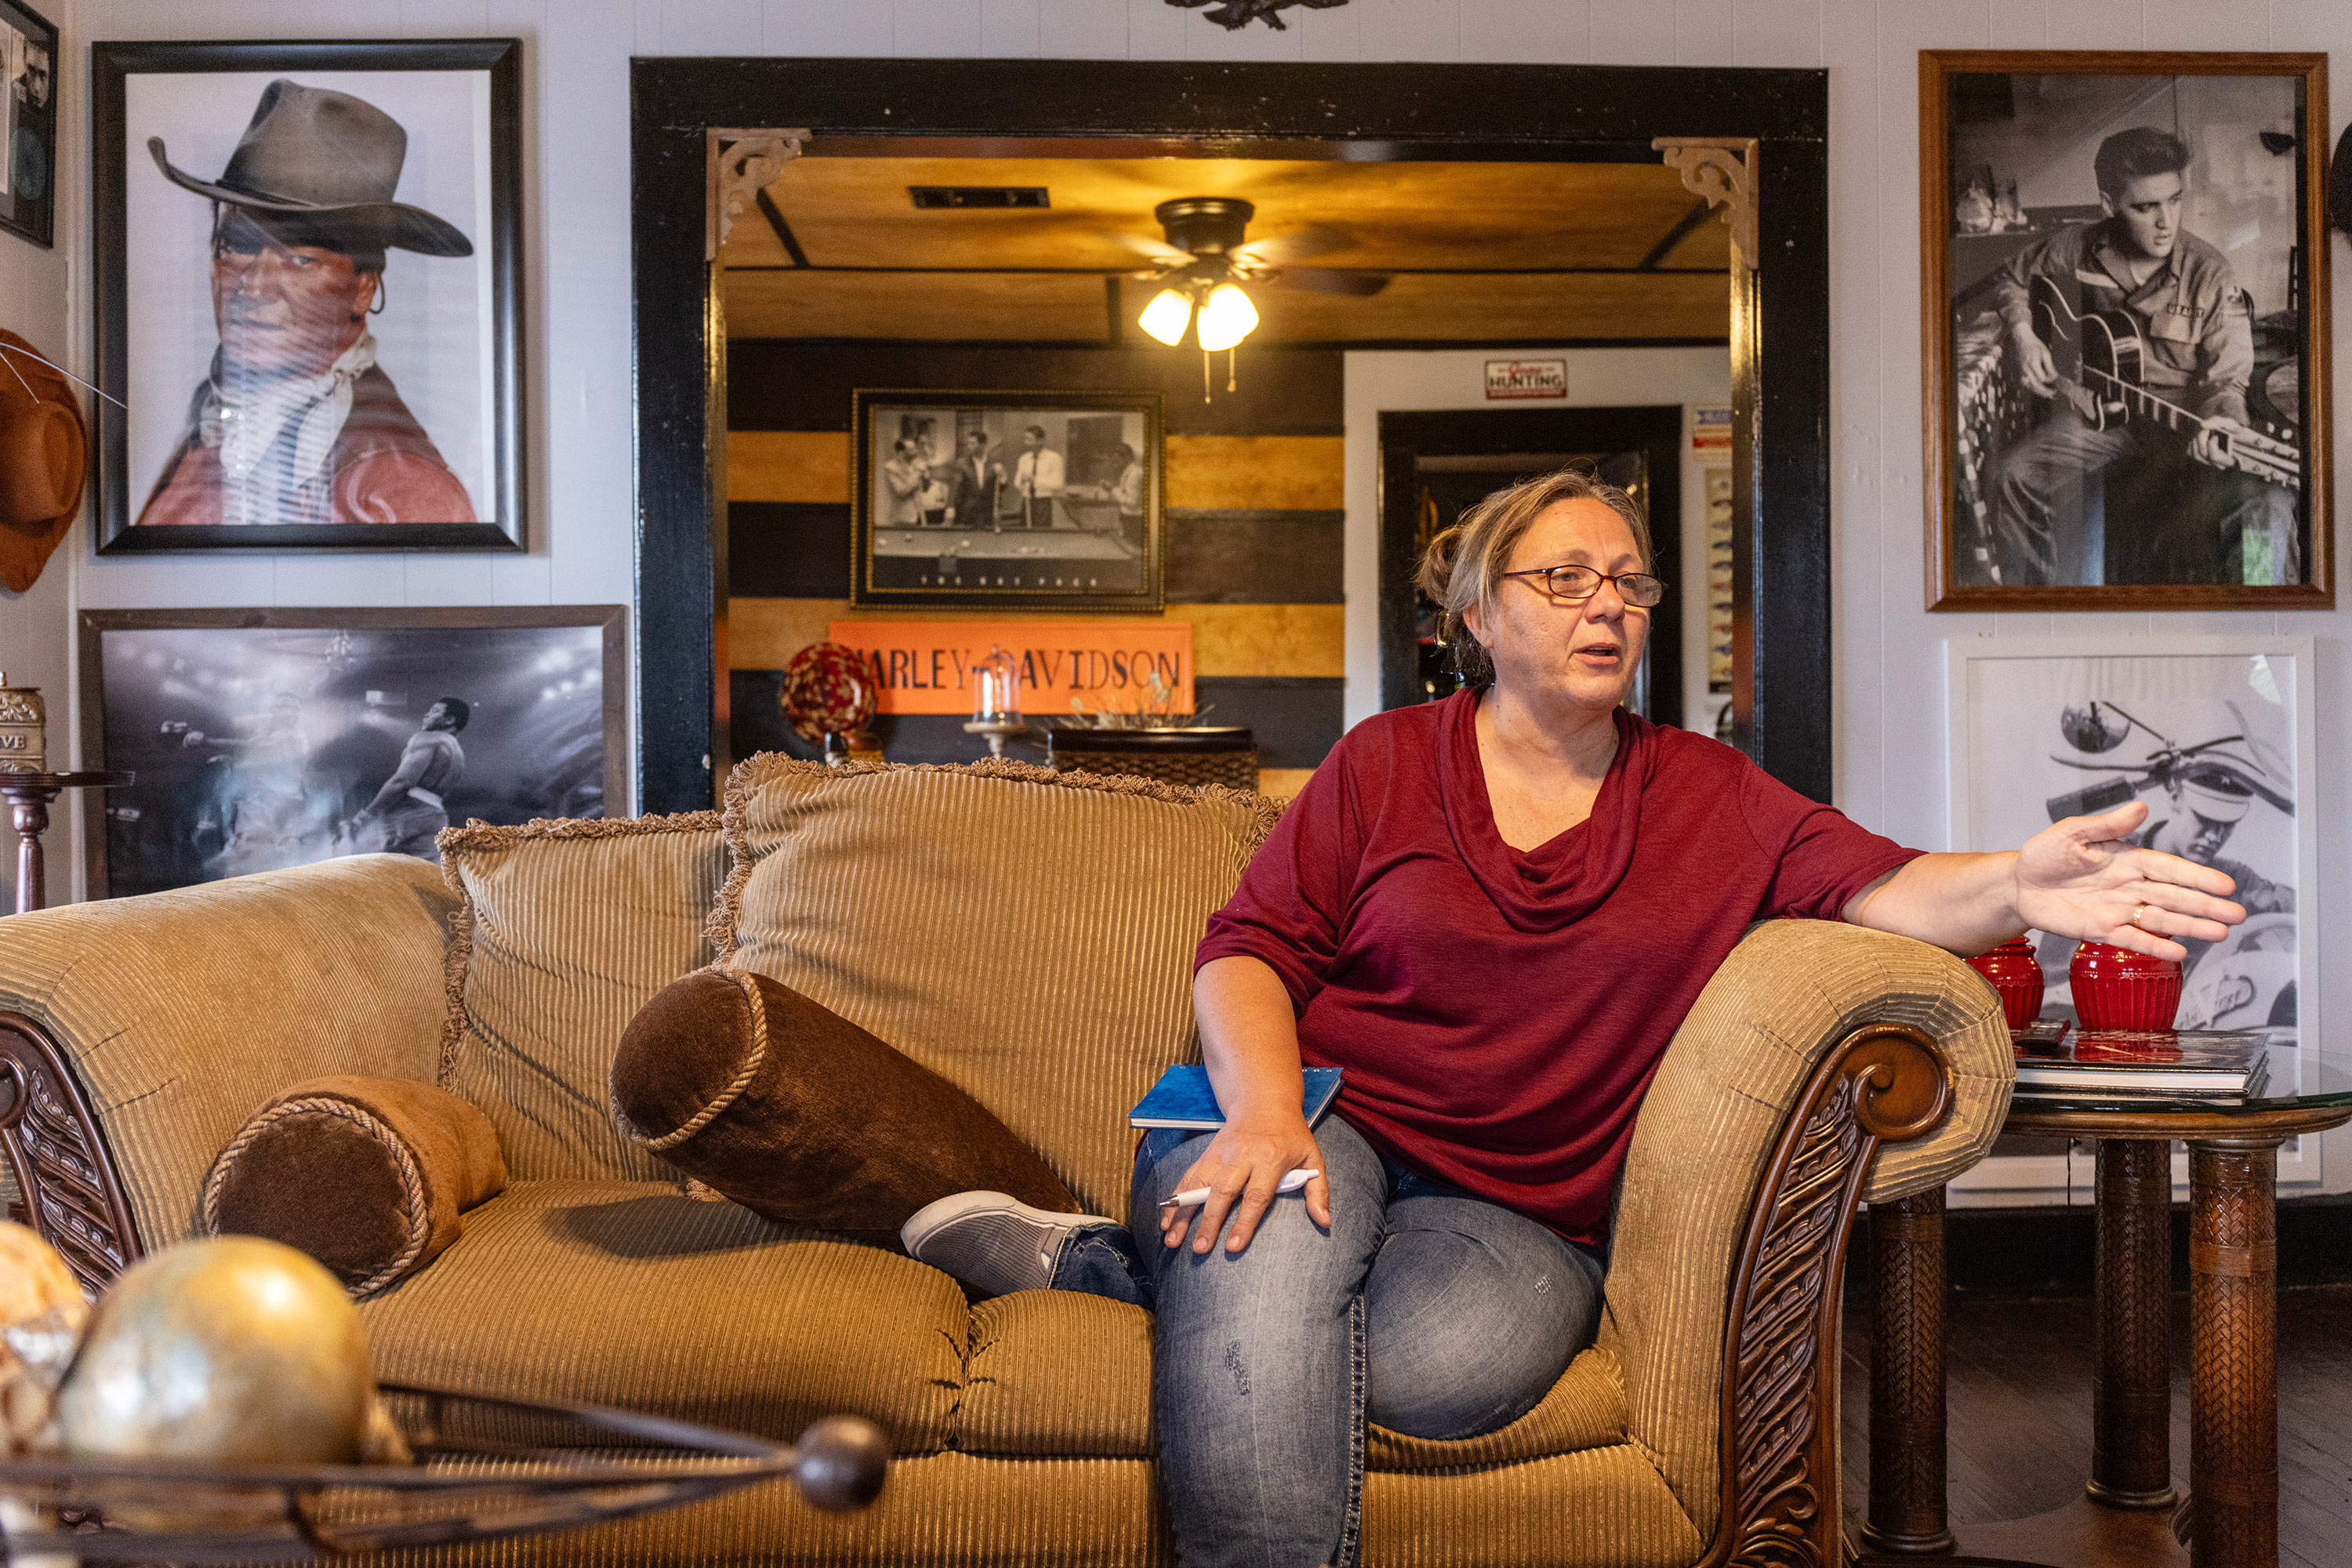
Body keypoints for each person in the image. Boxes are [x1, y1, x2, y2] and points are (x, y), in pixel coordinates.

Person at [899, 466, 2245, 1568]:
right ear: (1479, 615)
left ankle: (1100, 1266)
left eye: (1629, 583)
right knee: (1264, 1270)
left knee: (1424, 1371)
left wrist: (2017, 880)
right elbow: (1248, 950)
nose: (1609, 604)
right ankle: (1211, 1271)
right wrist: (1260, 1113)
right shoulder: (1384, 764)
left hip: (1519, 1212)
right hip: (1320, 1115)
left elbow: (1886, 887)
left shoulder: (1712, 792)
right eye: (1565, 578)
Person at [136, 80, 478, 529]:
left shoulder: (400, 490)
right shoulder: (210, 424)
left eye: (300, 259)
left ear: (363, 289)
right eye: (234, 246)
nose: (254, 287)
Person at [1984, 126, 2296, 586]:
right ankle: (2040, 606)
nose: (2166, 222)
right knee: (2012, 477)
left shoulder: (2210, 272)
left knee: (2266, 507)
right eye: (2145, 208)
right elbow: (2010, 278)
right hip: (2104, 418)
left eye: (2174, 200)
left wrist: (2223, 421)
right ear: (2109, 204)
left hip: (2185, 422)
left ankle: (2261, 614)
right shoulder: (2075, 246)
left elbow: (2228, 379)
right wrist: (2024, 334)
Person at [343, 697, 467, 862]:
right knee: (425, 873)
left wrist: (366, 815)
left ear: (449, 720)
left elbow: (402, 782)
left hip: (407, 812)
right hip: (436, 818)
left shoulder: (427, 738)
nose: (427, 715)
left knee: (360, 865)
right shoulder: (458, 754)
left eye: (435, 711)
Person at [948, 429, 1004, 532]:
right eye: (969, 443)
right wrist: (951, 507)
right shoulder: (962, 464)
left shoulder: (994, 463)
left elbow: (1002, 488)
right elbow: (955, 487)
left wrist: (1003, 476)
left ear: (983, 445)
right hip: (967, 513)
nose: (969, 446)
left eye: (973, 443)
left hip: (988, 512)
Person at [1013, 423, 1064, 531]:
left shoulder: (1054, 458)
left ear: (1041, 441)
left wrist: (1034, 480)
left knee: (1041, 535)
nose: (1026, 443)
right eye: (1025, 439)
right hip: (1026, 502)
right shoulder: (1024, 459)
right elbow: (1017, 483)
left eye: (1030, 440)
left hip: (1043, 503)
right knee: (1023, 534)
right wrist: (1022, 482)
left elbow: (1058, 484)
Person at [881, 437, 928, 527]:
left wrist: (926, 479)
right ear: (901, 452)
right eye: (911, 450)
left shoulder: (917, 465)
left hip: (919, 516)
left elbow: (925, 489)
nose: (915, 452)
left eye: (915, 448)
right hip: (902, 518)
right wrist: (918, 473)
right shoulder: (891, 467)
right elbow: (901, 491)